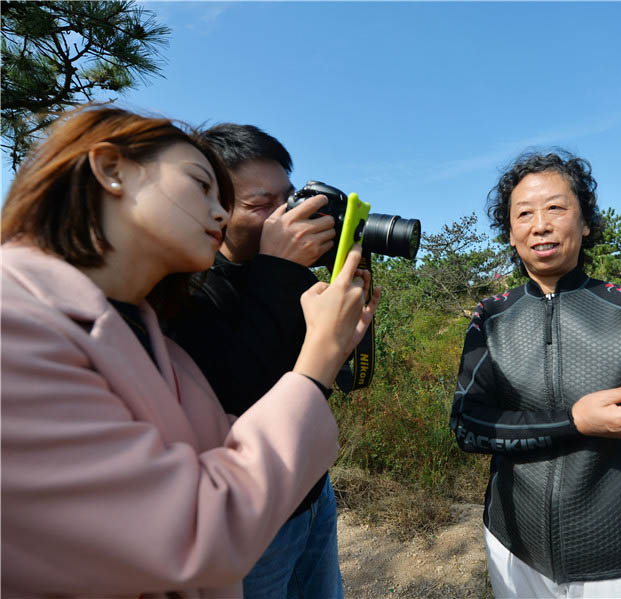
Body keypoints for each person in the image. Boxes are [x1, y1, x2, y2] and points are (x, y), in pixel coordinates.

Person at [0, 105, 378, 598]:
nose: (218, 212)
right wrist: (316, 362)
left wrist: (331, 337)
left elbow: (226, 441)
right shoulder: (15, 319)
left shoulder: (146, 329)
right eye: (202, 185)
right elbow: (196, 528)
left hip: (300, 503)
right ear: (111, 169)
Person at [449, 151, 621, 598]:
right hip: (514, 551)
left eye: (556, 208)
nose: (540, 225)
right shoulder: (492, 316)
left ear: (586, 223)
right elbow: (467, 425)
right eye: (524, 214)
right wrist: (574, 421)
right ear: (511, 233)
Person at [163, 123, 345, 599]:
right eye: (261, 204)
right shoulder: (185, 290)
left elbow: (322, 375)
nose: (283, 216)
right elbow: (239, 398)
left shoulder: (288, 273)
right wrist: (278, 270)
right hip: (253, 518)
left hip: (312, 493)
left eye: (288, 198)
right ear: (214, 207)